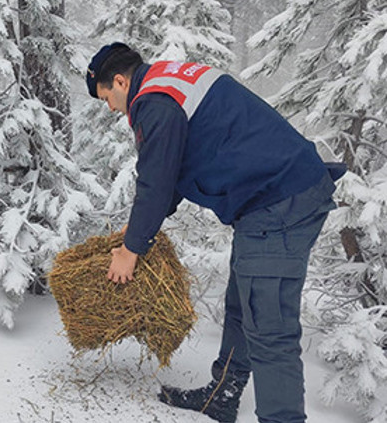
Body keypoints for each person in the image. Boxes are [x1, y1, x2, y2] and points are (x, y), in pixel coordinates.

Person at [85, 42, 345, 423]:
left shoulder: (152, 102)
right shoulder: (168, 81)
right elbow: (172, 170)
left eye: (107, 97)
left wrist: (130, 250)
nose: (110, 107)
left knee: (270, 329)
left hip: (278, 202)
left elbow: (155, 180)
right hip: (270, 200)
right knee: (243, 303)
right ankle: (223, 395)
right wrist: (137, 230)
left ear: (121, 81)